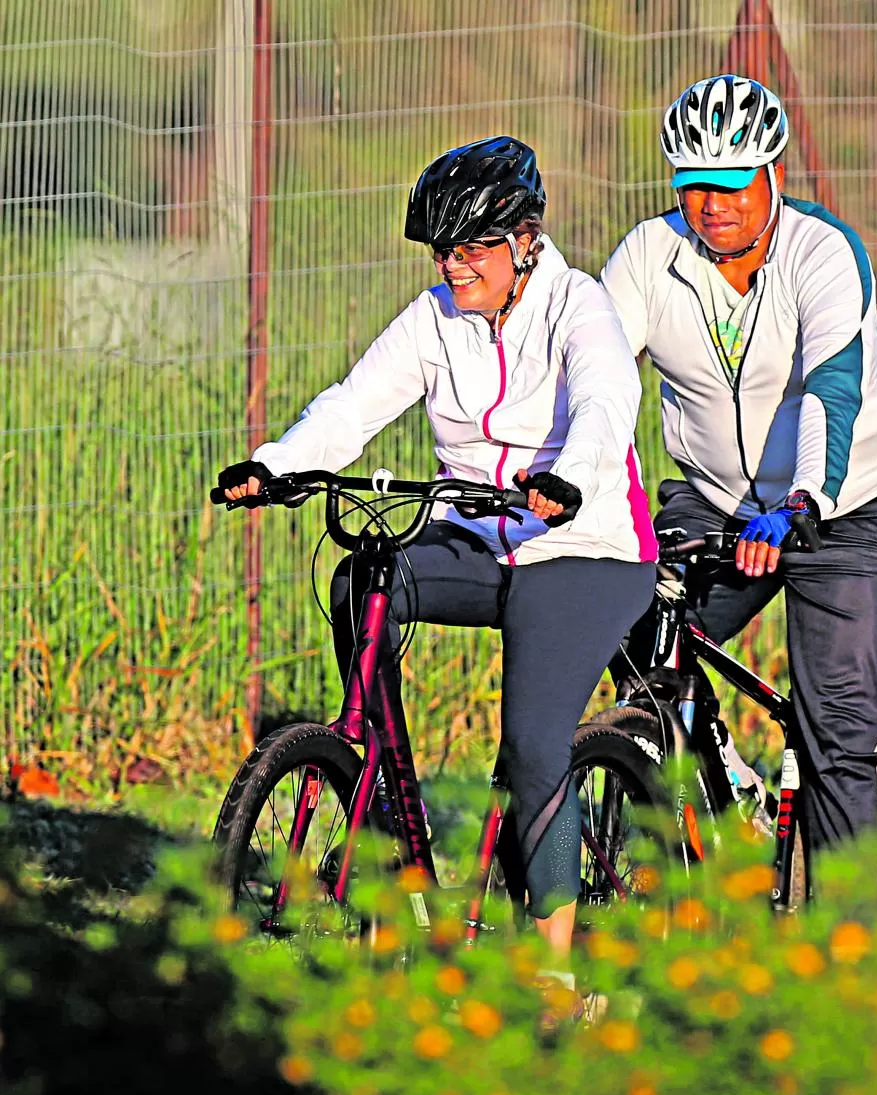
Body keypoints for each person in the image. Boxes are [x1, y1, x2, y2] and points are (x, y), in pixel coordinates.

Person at [219, 135, 657, 968]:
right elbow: (353, 407)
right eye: (441, 250)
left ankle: (558, 972)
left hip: (586, 546)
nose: (454, 266)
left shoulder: (579, 306)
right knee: (363, 577)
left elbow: (605, 401)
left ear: (525, 240)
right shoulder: (435, 319)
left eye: (471, 249)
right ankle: (385, 806)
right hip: (478, 537)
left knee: (533, 746)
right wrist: (275, 467)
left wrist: (565, 479)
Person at [600, 74, 877, 867]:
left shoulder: (823, 254)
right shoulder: (652, 255)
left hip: (848, 506)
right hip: (717, 502)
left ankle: (853, 951)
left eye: (733, 181)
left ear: (771, 174)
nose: (714, 203)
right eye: (695, 184)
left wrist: (806, 499)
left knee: (837, 728)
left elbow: (833, 389)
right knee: (631, 643)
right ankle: (731, 796)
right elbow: (591, 369)